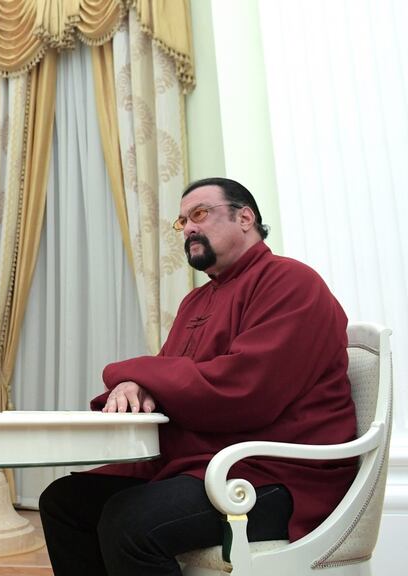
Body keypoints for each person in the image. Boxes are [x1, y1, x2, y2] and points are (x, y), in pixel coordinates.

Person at [38, 178, 358, 575]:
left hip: (278, 473)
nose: (188, 227)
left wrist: (130, 371)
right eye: (182, 221)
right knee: (64, 502)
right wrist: (135, 386)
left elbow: (243, 390)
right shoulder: (197, 300)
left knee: (131, 522)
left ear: (245, 218)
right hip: (209, 463)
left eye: (200, 214)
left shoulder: (291, 282)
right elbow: (170, 377)